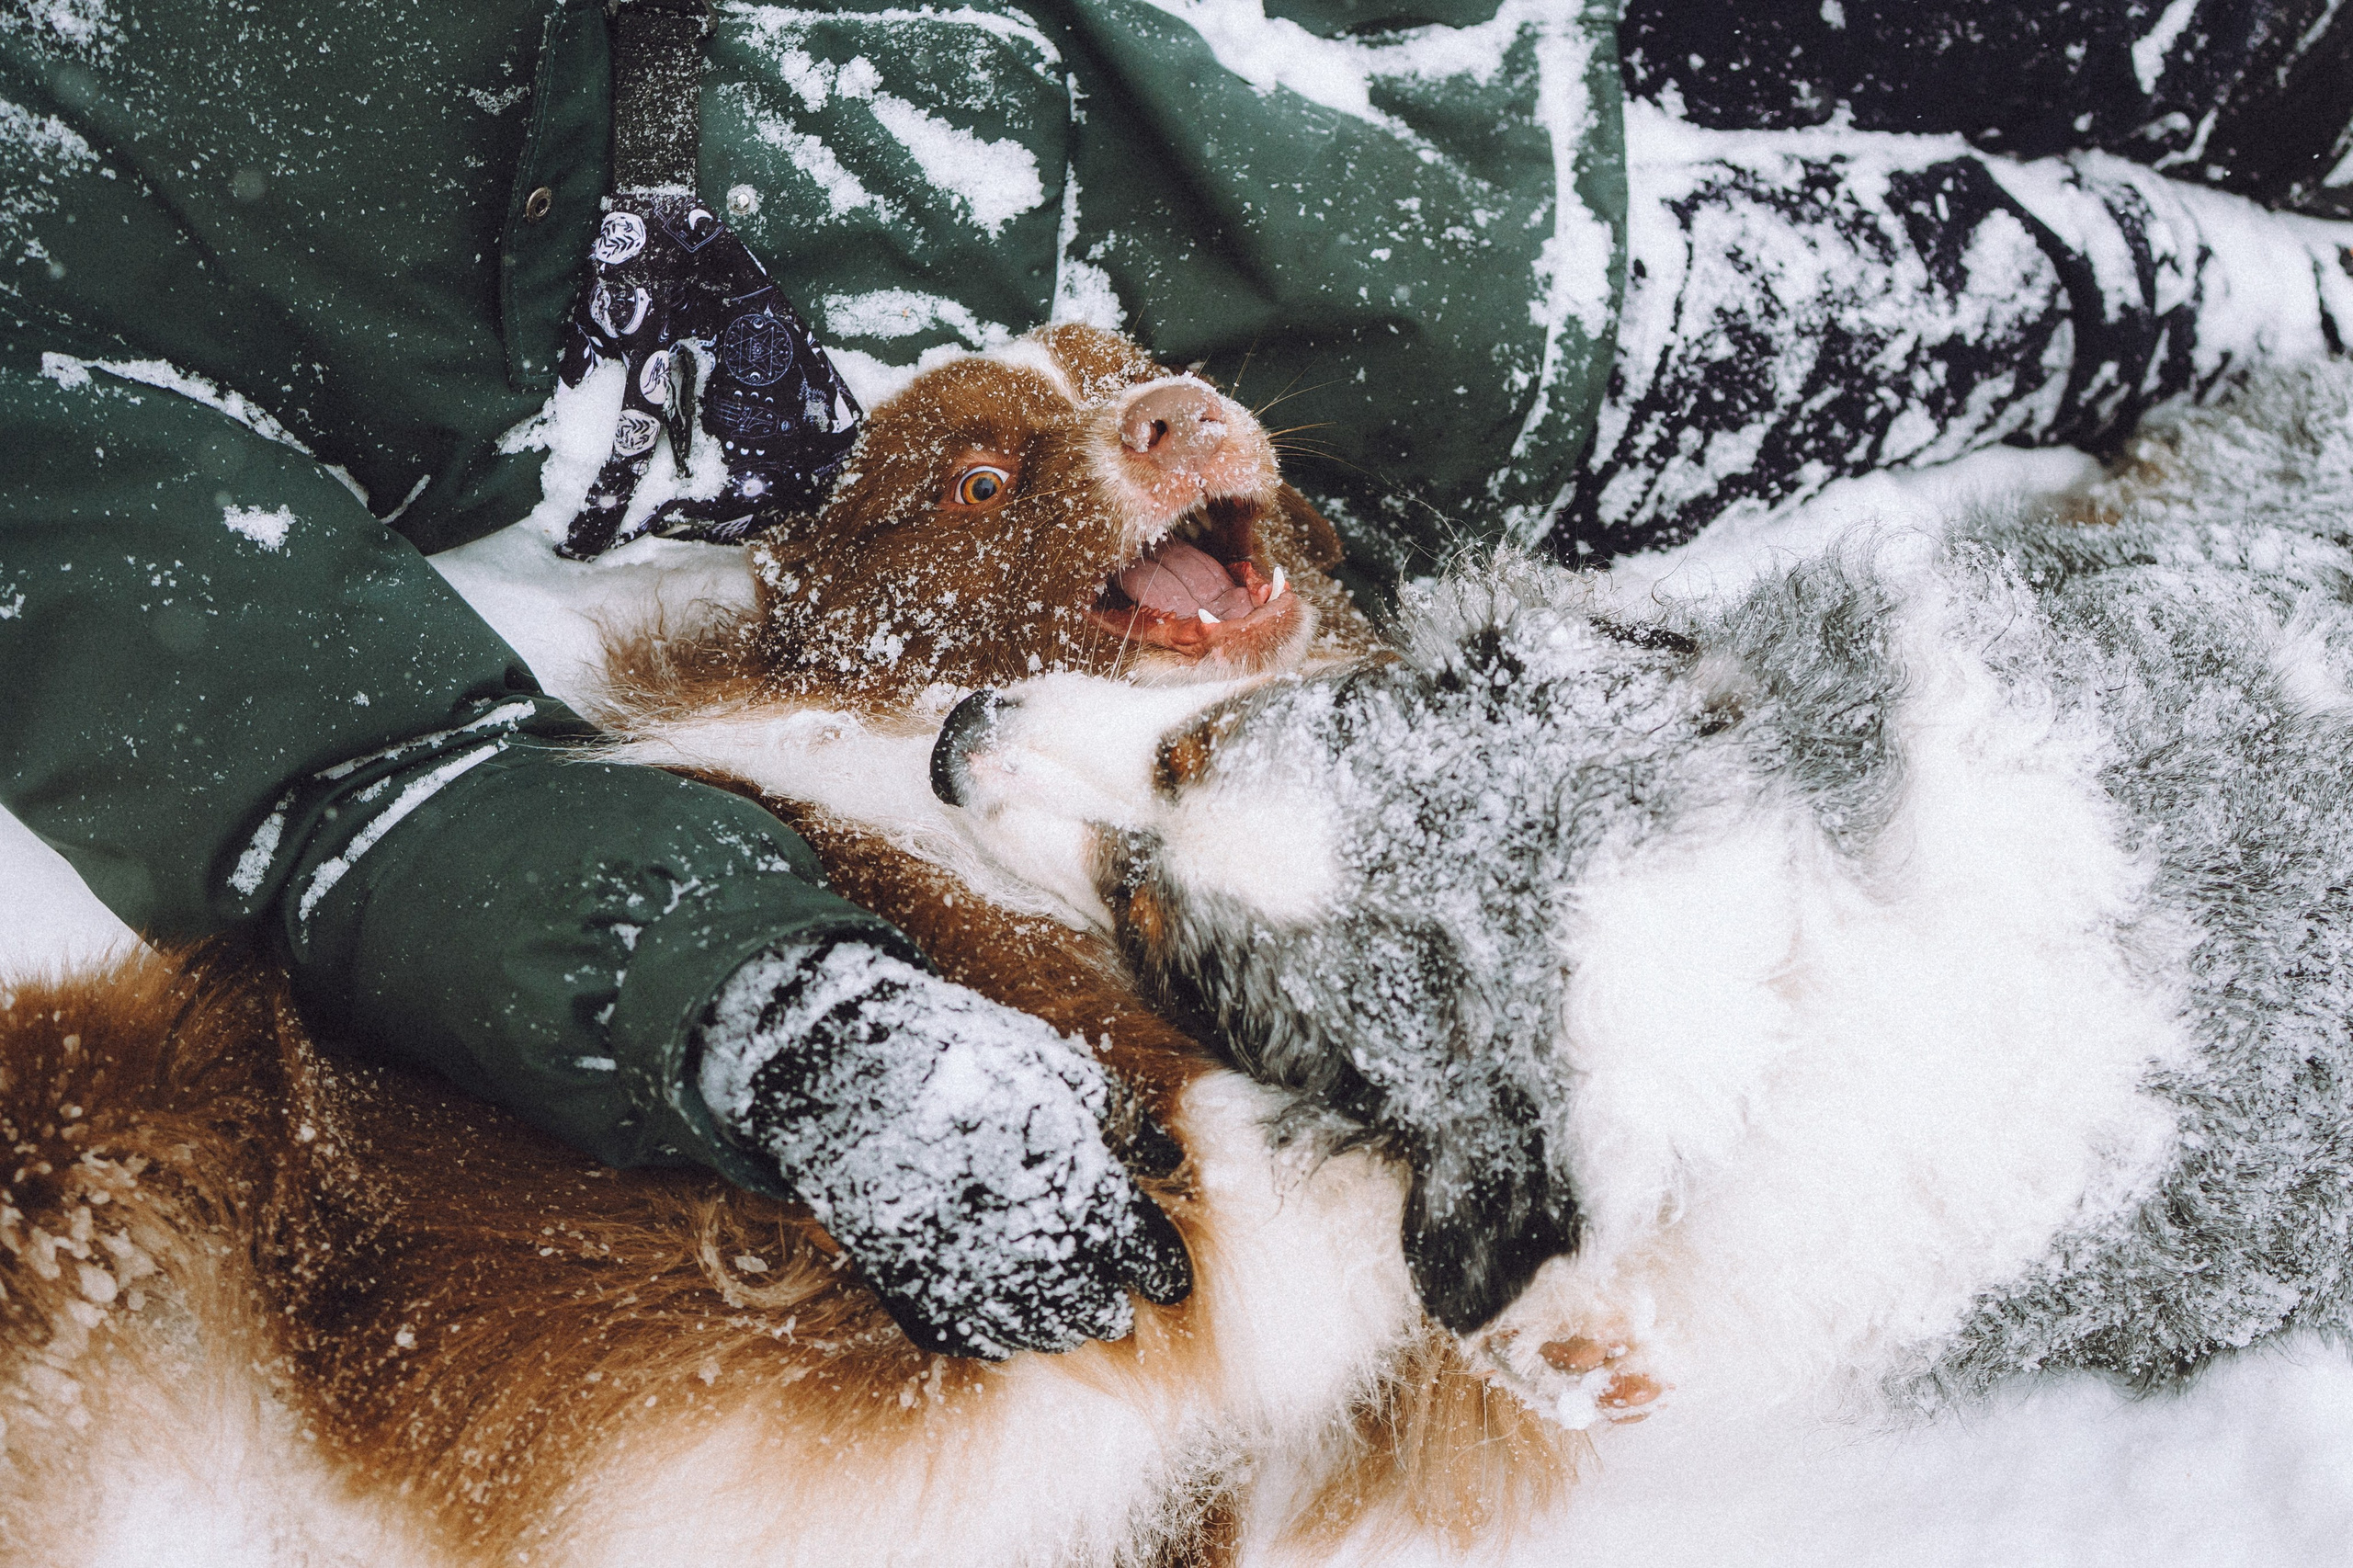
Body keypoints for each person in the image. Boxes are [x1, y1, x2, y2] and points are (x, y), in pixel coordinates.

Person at [0, 0, 2346, 1358]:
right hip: (1451, 323)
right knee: (2207, 298)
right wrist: (765, 1005)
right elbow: (359, 779)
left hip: (1400, 64)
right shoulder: (40, 250)